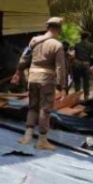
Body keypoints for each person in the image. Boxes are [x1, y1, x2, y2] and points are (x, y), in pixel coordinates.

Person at [12, 17, 67, 150]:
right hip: (47, 79)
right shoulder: (57, 45)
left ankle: (27, 137)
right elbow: (60, 67)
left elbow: (24, 58)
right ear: (58, 29)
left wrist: (18, 73)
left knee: (32, 107)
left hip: (33, 77)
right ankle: (42, 140)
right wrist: (63, 86)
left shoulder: (34, 40)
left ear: (47, 27)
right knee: (45, 109)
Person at [73, 32, 93, 100]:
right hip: (86, 64)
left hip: (77, 64)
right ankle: (86, 96)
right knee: (86, 81)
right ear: (87, 37)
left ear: (81, 37)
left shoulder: (77, 45)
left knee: (77, 81)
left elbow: (76, 55)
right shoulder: (91, 45)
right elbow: (92, 56)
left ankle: (77, 96)